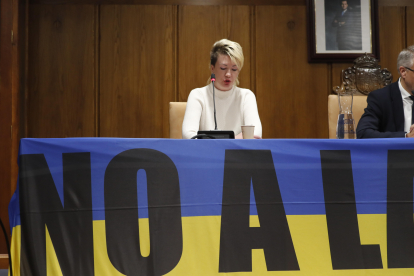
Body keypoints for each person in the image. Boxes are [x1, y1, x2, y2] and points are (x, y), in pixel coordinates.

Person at [182, 39, 262, 139]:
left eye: (234, 69)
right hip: (206, 153)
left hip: (237, 153)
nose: (228, 74)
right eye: (223, 68)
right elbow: (188, 135)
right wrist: (236, 139)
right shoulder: (198, 95)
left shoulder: (246, 96)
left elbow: (255, 134)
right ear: (212, 68)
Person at [357, 46, 414, 138]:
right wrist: (406, 137)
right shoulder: (380, 98)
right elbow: (364, 133)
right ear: (403, 72)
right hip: (395, 152)